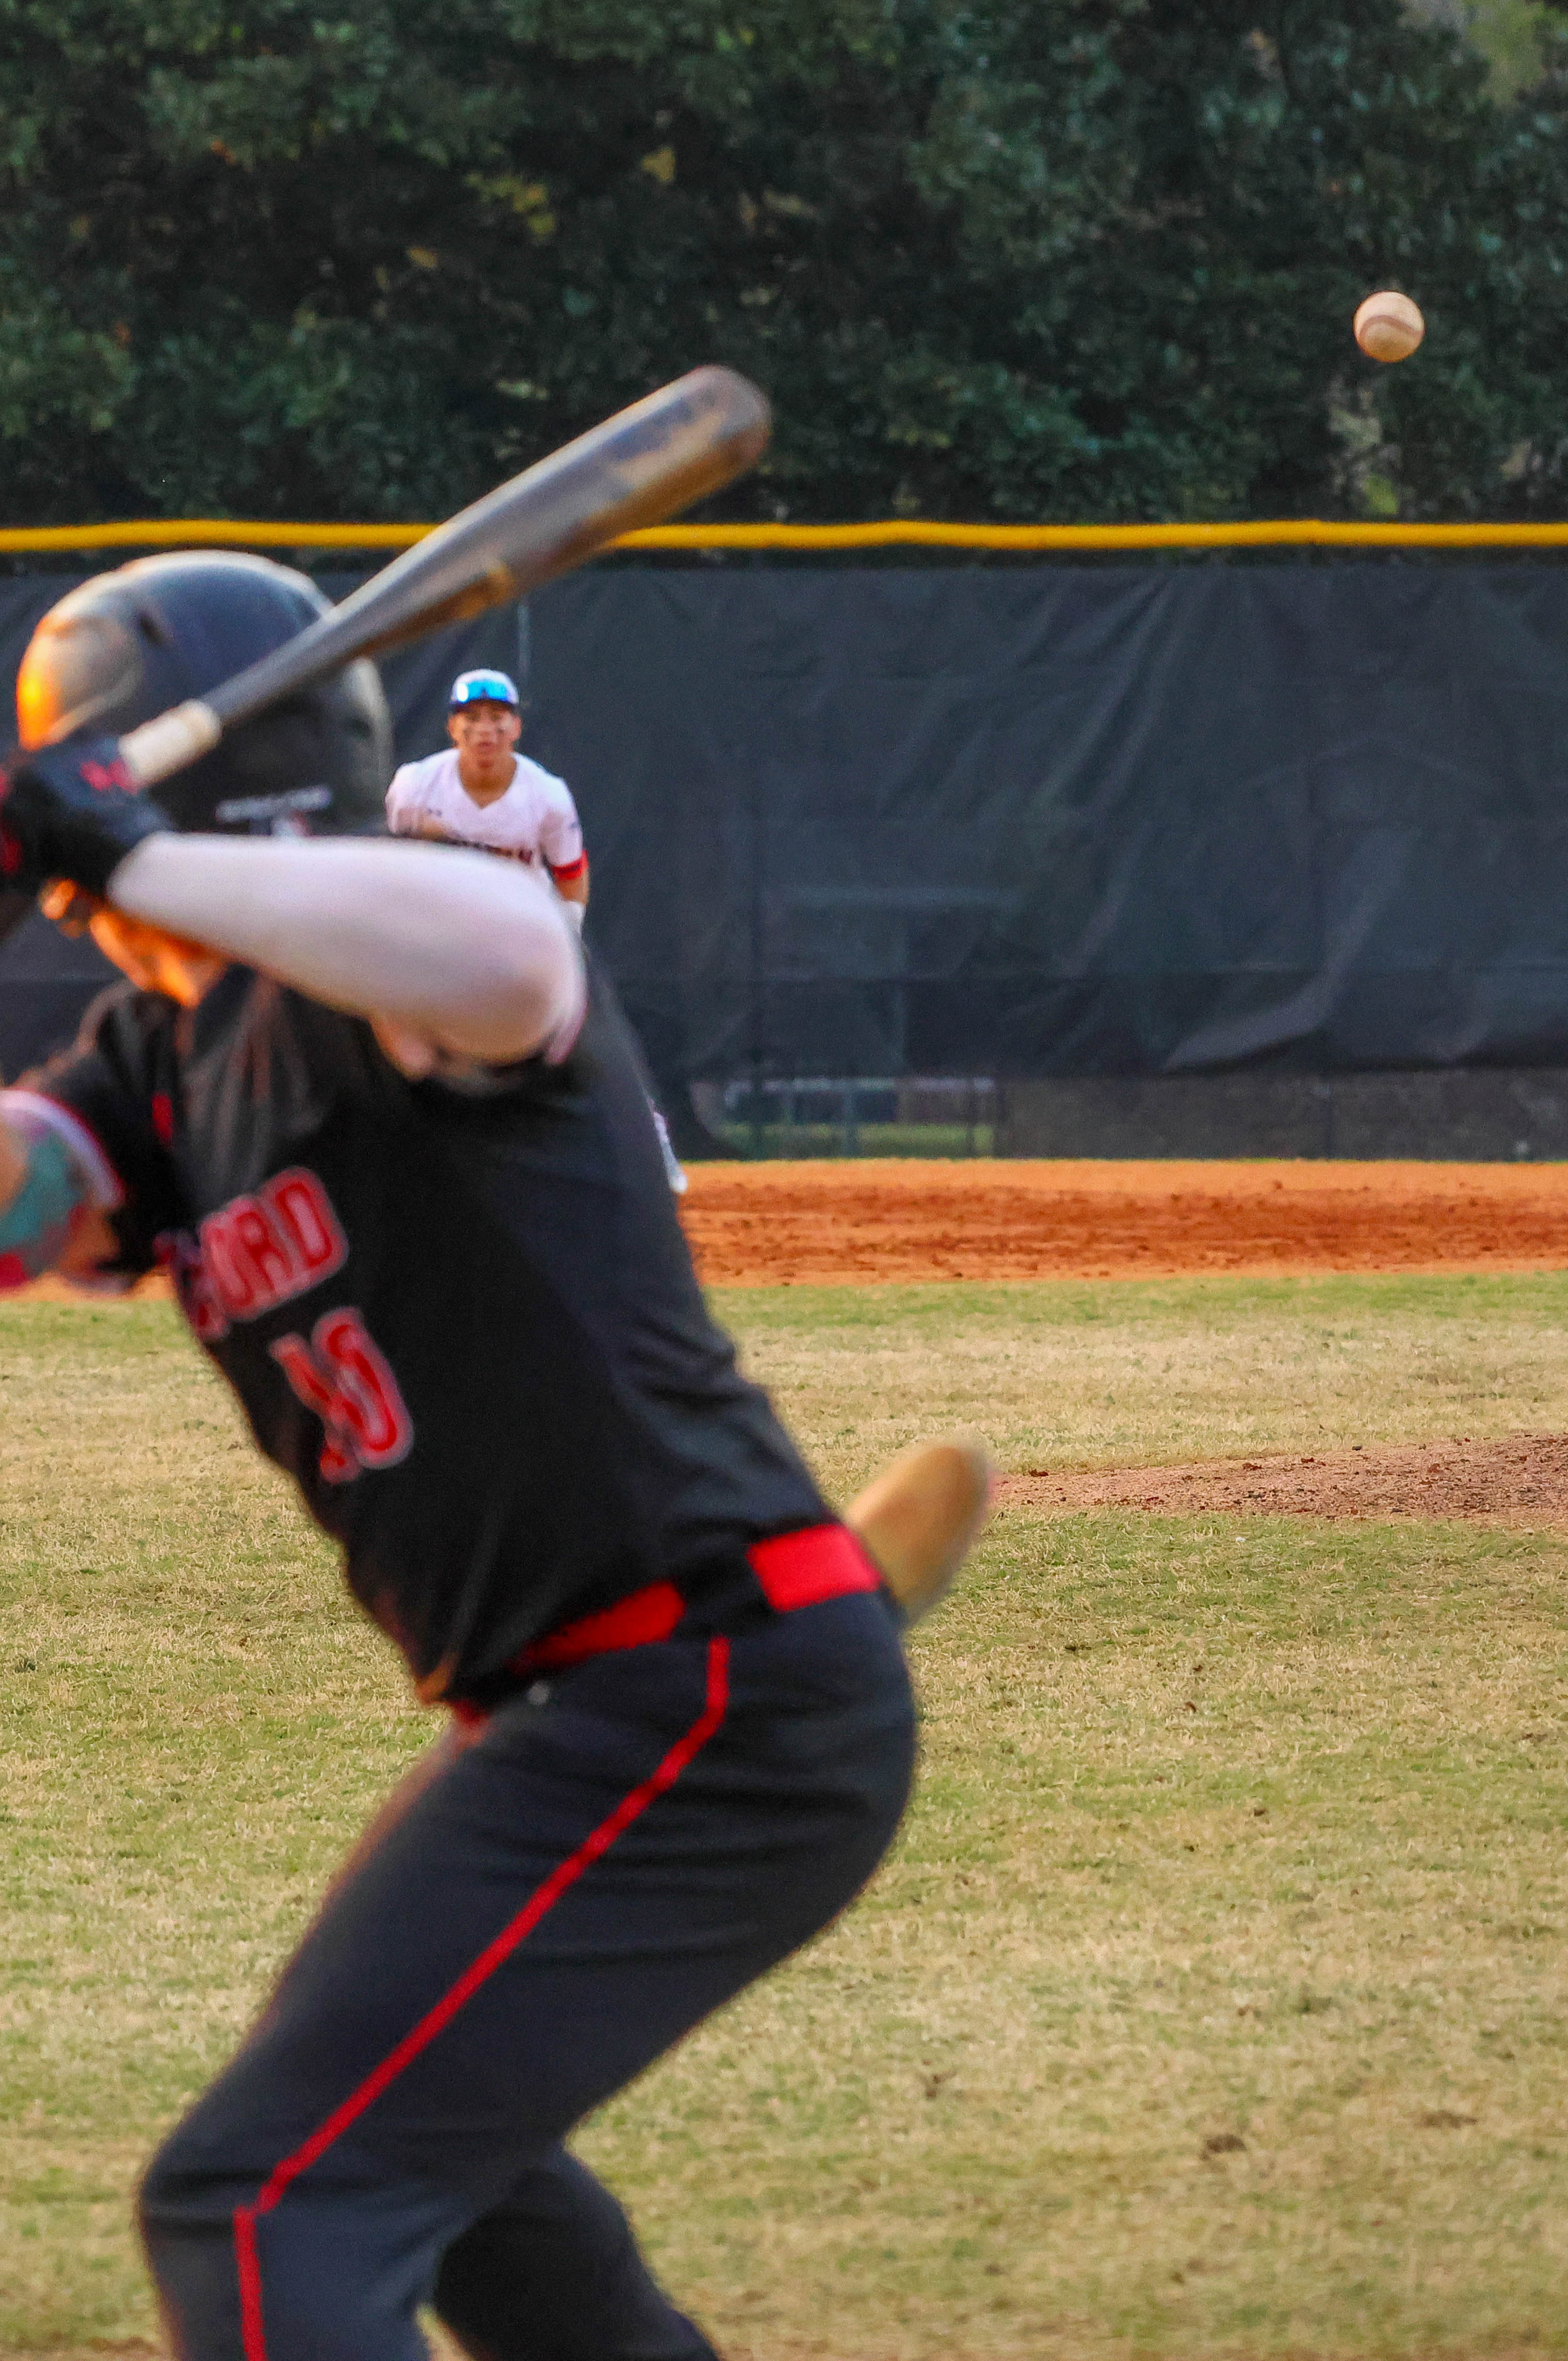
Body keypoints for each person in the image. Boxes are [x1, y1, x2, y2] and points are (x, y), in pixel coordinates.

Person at [0, 550, 988, 2361]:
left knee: (265, 2199)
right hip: (585, 1708)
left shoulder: (406, 948)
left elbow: (521, 959)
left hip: (709, 1696)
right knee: (455, 2174)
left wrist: (122, 850)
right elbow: (28, 1192)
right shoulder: (166, 1052)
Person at [383, 668, 589, 918]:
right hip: (441, 921)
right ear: (452, 728)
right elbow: (389, 862)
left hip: (517, 922)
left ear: (516, 727)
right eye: (471, 717)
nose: (484, 729)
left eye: (496, 717)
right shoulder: (414, 786)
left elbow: (570, 874)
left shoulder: (549, 796)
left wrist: (571, 930)